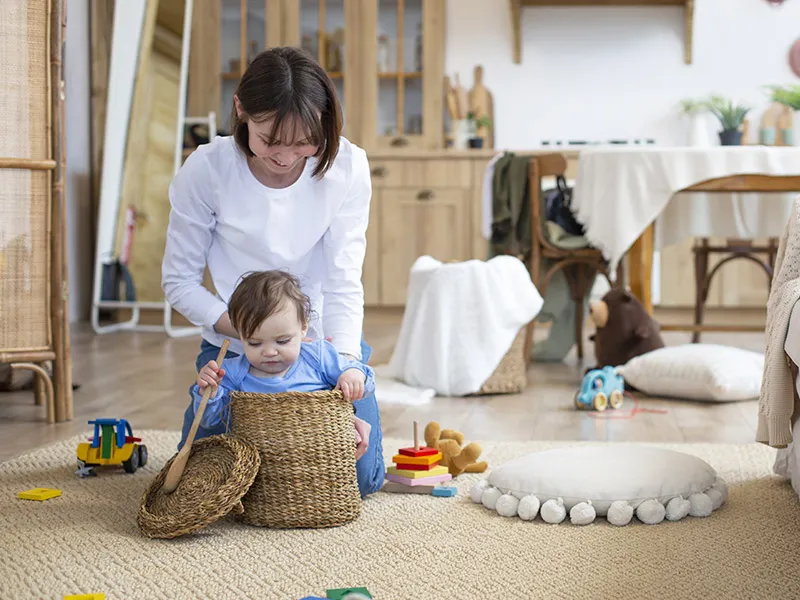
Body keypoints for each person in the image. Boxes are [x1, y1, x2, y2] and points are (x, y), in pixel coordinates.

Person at [162, 46, 384, 497]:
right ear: (242, 110)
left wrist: (344, 365)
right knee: (200, 485)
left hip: (318, 343)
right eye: (269, 140)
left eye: (305, 143)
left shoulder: (347, 167)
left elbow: (343, 280)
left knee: (356, 481)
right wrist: (252, 335)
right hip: (235, 351)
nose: (286, 157)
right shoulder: (207, 170)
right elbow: (179, 282)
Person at [183, 271, 375, 462]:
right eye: (254, 343)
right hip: (262, 463)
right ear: (240, 335)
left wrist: (352, 374)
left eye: (282, 341)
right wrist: (209, 391)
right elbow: (210, 420)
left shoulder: (318, 355)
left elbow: (364, 381)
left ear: (303, 327)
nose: (269, 352)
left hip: (319, 456)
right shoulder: (231, 372)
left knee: (360, 472)